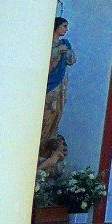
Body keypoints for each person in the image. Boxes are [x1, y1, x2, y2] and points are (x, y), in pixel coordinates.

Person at [43, 17, 76, 145]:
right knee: (48, 111)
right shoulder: (47, 44)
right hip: (50, 83)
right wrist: (57, 50)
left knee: (56, 112)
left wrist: (66, 51)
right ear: (56, 26)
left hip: (60, 84)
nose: (66, 29)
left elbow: (71, 60)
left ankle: (48, 143)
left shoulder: (65, 43)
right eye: (64, 26)